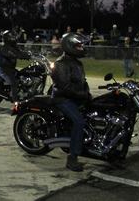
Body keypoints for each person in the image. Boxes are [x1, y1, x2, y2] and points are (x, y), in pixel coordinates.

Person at [50, 32, 91, 172]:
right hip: (63, 98)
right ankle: (72, 158)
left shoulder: (77, 63)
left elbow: (82, 82)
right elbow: (65, 87)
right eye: (79, 46)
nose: (82, 48)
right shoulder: (61, 64)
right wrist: (83, 94)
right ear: (70, 46)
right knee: (79, 121)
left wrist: (87, 92)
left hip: (76, 97)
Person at [0, 30, 30, 102]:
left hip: (10, 68)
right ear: (8, 38)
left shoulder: (13, 46)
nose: (14, 39)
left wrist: (30, 54)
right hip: (3, 69)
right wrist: (24, 56)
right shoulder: (3, 48)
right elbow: (14, 54)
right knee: (14, 82)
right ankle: (16, 102)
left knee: (22, 77)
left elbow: (20, 52)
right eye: (12, 37)